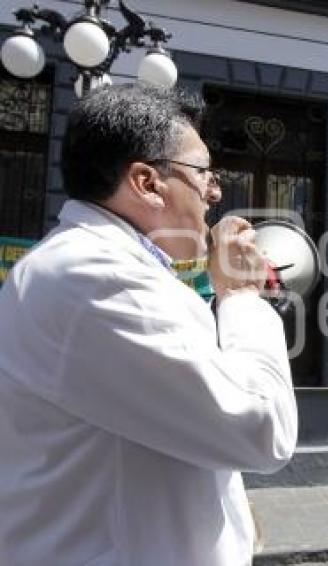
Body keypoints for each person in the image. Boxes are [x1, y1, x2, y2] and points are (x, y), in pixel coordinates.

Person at [0, 86, 298, 565]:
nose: (215, 192)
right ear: (146, 182)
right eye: (203, 173)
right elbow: (263, 430)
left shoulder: (98, 268)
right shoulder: (95, 276)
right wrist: (241, 296)